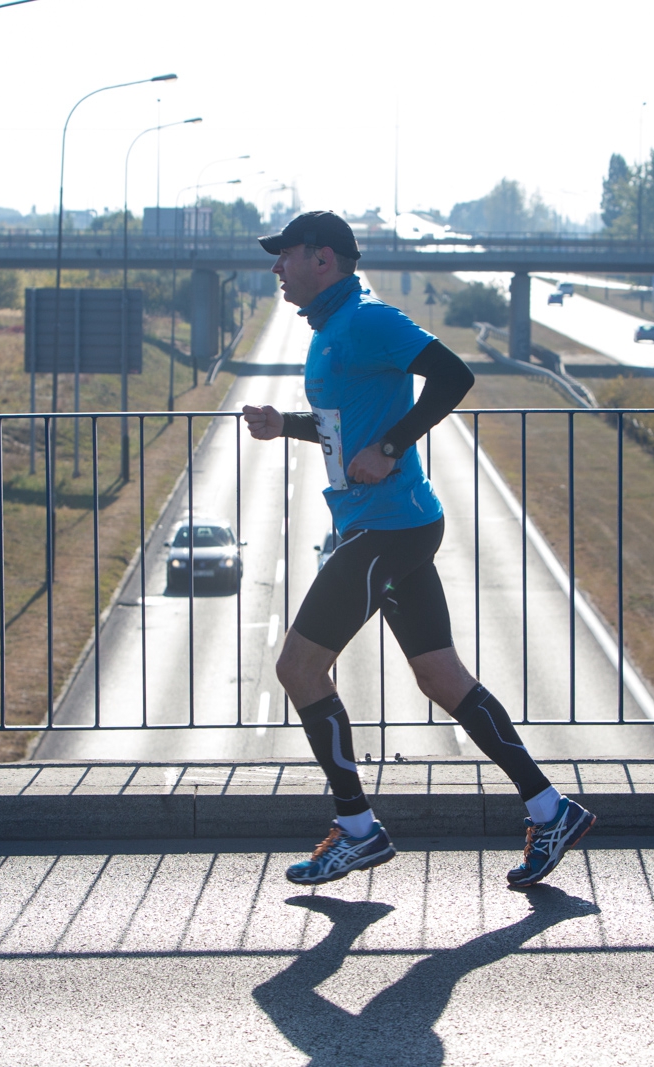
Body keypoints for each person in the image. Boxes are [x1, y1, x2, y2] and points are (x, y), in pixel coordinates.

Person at [242, 211, 597, 890]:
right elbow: (342, 424)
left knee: (298, 666)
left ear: (324, 259)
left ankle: (357, 828)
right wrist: (282, 425)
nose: (276, 269)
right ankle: (550, 809)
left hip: (389, 528)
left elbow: (453, 376)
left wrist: (392, 446)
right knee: (440, 676)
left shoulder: (368, 319)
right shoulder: (329, 329)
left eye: (284, 256)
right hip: (382, 525)